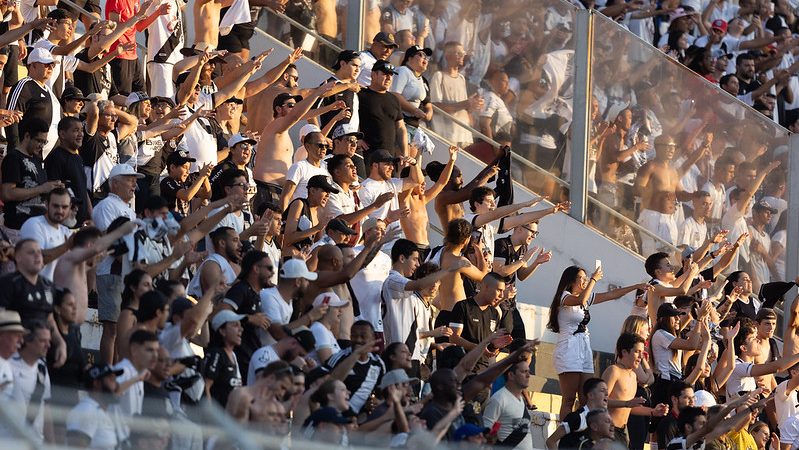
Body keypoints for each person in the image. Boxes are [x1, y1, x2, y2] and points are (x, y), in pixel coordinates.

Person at [548, 265, 652, 420]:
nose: (584, 281)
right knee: (569, 399)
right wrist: (593, 280)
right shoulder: (565, 296)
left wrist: (635, 286)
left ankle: (582, 433)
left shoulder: (586, 297)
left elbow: (611, 294)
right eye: (581, 278)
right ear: (571, 280)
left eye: (585, 278)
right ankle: (564, 436)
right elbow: (580, 299)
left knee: (586, 398)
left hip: (583, 346)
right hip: (569, 348)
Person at [0, 239, 67, 366]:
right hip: (12, 354)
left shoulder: (48, 286)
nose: (37, 256)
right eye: (31, 252)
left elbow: (49, 319)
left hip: (39, 356)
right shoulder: (7, 284)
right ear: (18, 257)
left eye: (39, 252)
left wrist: (60, 343)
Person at [603, 333, 669, 447]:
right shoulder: (613, 371)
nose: (641, 357)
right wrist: (627, 403)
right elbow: (600, 402)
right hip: (606, 429)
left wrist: (653, 411)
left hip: (622, 431)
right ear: (624, 352)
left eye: (642, 352)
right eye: (637, 352)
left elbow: (630, 408)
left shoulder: (633, 376)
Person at [1, 118, 63, 238]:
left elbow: (39, 189)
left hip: (38, 227)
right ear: (27, 136)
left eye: (44, 142)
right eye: (39, 141)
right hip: (19, 229)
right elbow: (6, 194)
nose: (41, 146)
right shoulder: (13, 158)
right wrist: (42, 188)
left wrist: (53, 187)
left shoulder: (36, 159)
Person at [113, 329, 159, 442]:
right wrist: (136, 379)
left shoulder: (138, 374)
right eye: (149, 350)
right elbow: (110, 393)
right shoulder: (123, 370)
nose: (155, 356)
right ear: (134, 350)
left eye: (156, 350)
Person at [9, 320, 51, 442]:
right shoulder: (8, 365)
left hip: (36, 442)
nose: (48, 345)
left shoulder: (42, 368)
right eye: (43, 341)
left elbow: (46, 408)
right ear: (27, 340)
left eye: (49, 341)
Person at [45, 116, 91, 225]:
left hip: (81, 223)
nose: (81, 134)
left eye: (81, 130)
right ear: (62, 134)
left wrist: (91, 214)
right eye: (75, 131)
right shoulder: (56, 158)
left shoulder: (78, 158)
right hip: (64, 224)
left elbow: (83, 189)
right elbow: (53, 191)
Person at [19, 188, 72, 282]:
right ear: (46, 204)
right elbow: (35, 261)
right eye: (55, 206)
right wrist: (66, 246)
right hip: (34, 291)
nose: (60, 210)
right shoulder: (33, 224)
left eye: (64, 207)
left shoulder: (65, 231)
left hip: (57, 292)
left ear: (70, 207)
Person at [66, 363, 124, 449]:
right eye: (112, 380)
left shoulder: (99, 412)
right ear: (96, 383)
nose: (117, 385)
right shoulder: (86, 411)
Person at [358, 60, 408, 156]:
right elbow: (352, 119)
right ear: (373, 74)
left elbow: (401, 128)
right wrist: (358, 138)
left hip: (389, 157)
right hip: (366, 154)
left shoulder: (394, 99)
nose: (389, 78)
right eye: (385, 74)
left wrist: (405, 154)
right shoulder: (361, 95)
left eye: (391, 75)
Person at [482, 359, 534, 449]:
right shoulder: (499, 399)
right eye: (523, 372)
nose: (528, 375)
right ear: (511, 375)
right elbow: (486, 431)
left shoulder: (521, 400)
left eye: (529, 372)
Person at [546, 378, 610, 449]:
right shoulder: (577, 417)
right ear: (591, 395)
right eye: (602, 390)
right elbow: (551, 441)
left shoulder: (603, 421)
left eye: (607, 391)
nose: (607, 394)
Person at [203, 310, 245, 407]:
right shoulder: (216, 354)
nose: (241, 329)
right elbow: (206, 386)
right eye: (235, 325)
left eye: (240, 325)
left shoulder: (234, 355)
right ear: (222, 331)